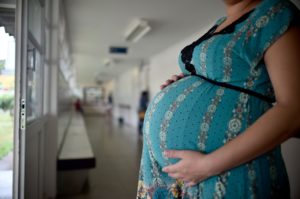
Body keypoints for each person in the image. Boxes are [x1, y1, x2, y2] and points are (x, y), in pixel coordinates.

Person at [136, 0, 300, 198]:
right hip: (182, 179)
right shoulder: (220, 23)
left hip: (230, 171)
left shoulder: (275, 12)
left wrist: (207, 166)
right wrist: (189, 78)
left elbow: (294, 111)